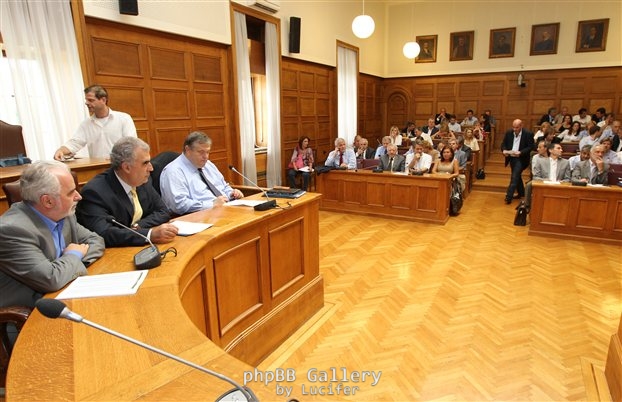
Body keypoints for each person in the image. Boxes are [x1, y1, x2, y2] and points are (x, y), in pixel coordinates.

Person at [0, 160, 105, 308]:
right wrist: (73, 255)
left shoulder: (63, 215)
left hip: (66, 293)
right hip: (29, 312)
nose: (78, 197)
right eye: (71, 193)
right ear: (48, 201)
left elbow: (96, 241)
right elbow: (51, 279)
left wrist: (70, 266)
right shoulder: (11, 231)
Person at [76, 137, 178, 247]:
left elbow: (162, 211)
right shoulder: (94, 192)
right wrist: (149, 234)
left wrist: (138, 226)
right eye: (145, 163)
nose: (151, 168)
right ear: (127, 167)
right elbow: (103, 233)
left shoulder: (142, 181)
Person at [159, 132, 244, 215]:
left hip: (225, 209)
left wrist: (232, 193)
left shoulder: (208, 165)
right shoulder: (174, 171)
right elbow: (179, 205)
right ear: (188, 150)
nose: (206, 156)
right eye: (201, 152)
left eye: (207, 152)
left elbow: (223, 186)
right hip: (198, 217)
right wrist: (212, 204)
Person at [54, 85, 137, 161]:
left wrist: (115, 157)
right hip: (97, 169)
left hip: (121, 166)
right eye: (86, 100)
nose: (86, 103)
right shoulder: (86, 124)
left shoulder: (124, 118)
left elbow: (131, 144)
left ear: (103, 100)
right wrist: (61, 150)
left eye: (91, 100)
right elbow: (75, 143)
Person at [524, 142, 571, 212]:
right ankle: (527, 206)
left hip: (559, 186)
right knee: (529, 185)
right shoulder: (540, 161)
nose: (561, 150)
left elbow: (568, 178)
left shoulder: (566, 162)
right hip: (544, 184)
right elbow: (536, 177)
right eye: (558, 148)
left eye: (561, 148)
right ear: (550, 150)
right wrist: (545, 180)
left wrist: (561, 182)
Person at [501, 119, 535, 204]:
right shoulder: (509, 133)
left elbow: (531, 147)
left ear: (521, 126)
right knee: (516, 175)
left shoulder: (528, 134)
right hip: (512, 158)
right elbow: (503, 144)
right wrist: (504, 150)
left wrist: (521, 152)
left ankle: (508, 197)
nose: (514, 129)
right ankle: (521, 193)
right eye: (513, 127)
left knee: (514, 176)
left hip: (521, 158)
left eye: (517, 127)